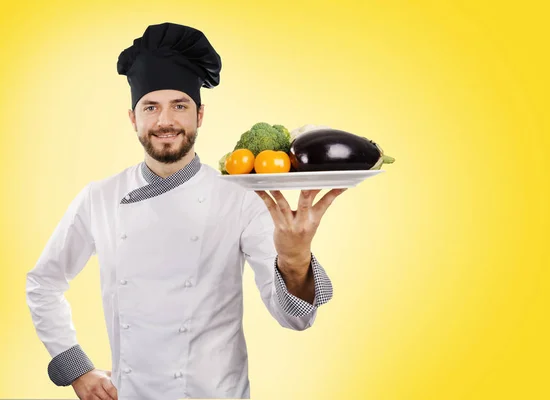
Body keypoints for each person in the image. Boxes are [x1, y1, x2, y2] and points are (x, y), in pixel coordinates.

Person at [25, 22, 345, 400]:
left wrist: (295, 259)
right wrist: (75, 367)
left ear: (200, 115)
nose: (165, 121)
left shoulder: (241, 197)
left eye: (180, 106)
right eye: (151, 107)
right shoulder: (100, 198)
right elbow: (43, 283)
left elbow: (296, 318)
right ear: (133, 118)